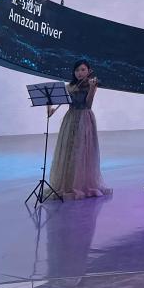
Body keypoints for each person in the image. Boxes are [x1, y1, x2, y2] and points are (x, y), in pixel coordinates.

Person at [47, 59, 112, 200]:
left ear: (88, 71)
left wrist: (92, 88)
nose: (80, 73)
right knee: (68, 150)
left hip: (85, 118)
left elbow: (88, 104)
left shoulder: (91, 85)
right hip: (70, 118)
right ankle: (67, 183)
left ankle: (81, 184)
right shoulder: (69, 87)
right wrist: (49, 106)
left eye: (83, 70)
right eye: (77, 70)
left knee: (82, 150)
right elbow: (53, 109)